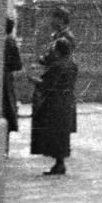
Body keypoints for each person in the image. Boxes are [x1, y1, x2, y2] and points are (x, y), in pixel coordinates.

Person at [30, 37, 78, 176]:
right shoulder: (72, 64)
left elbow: (46, 83)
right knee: (62, 134)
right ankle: (60, 163)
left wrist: (33, 79)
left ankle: (59, 164)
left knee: (55, 133)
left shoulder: (57, 66)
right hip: (68, 101)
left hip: (55, 102)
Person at [2, 18, 22, 137]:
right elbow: (18, 65)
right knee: (8, 109)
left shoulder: (0, 39)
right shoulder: (10, 40)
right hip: (6, 78)